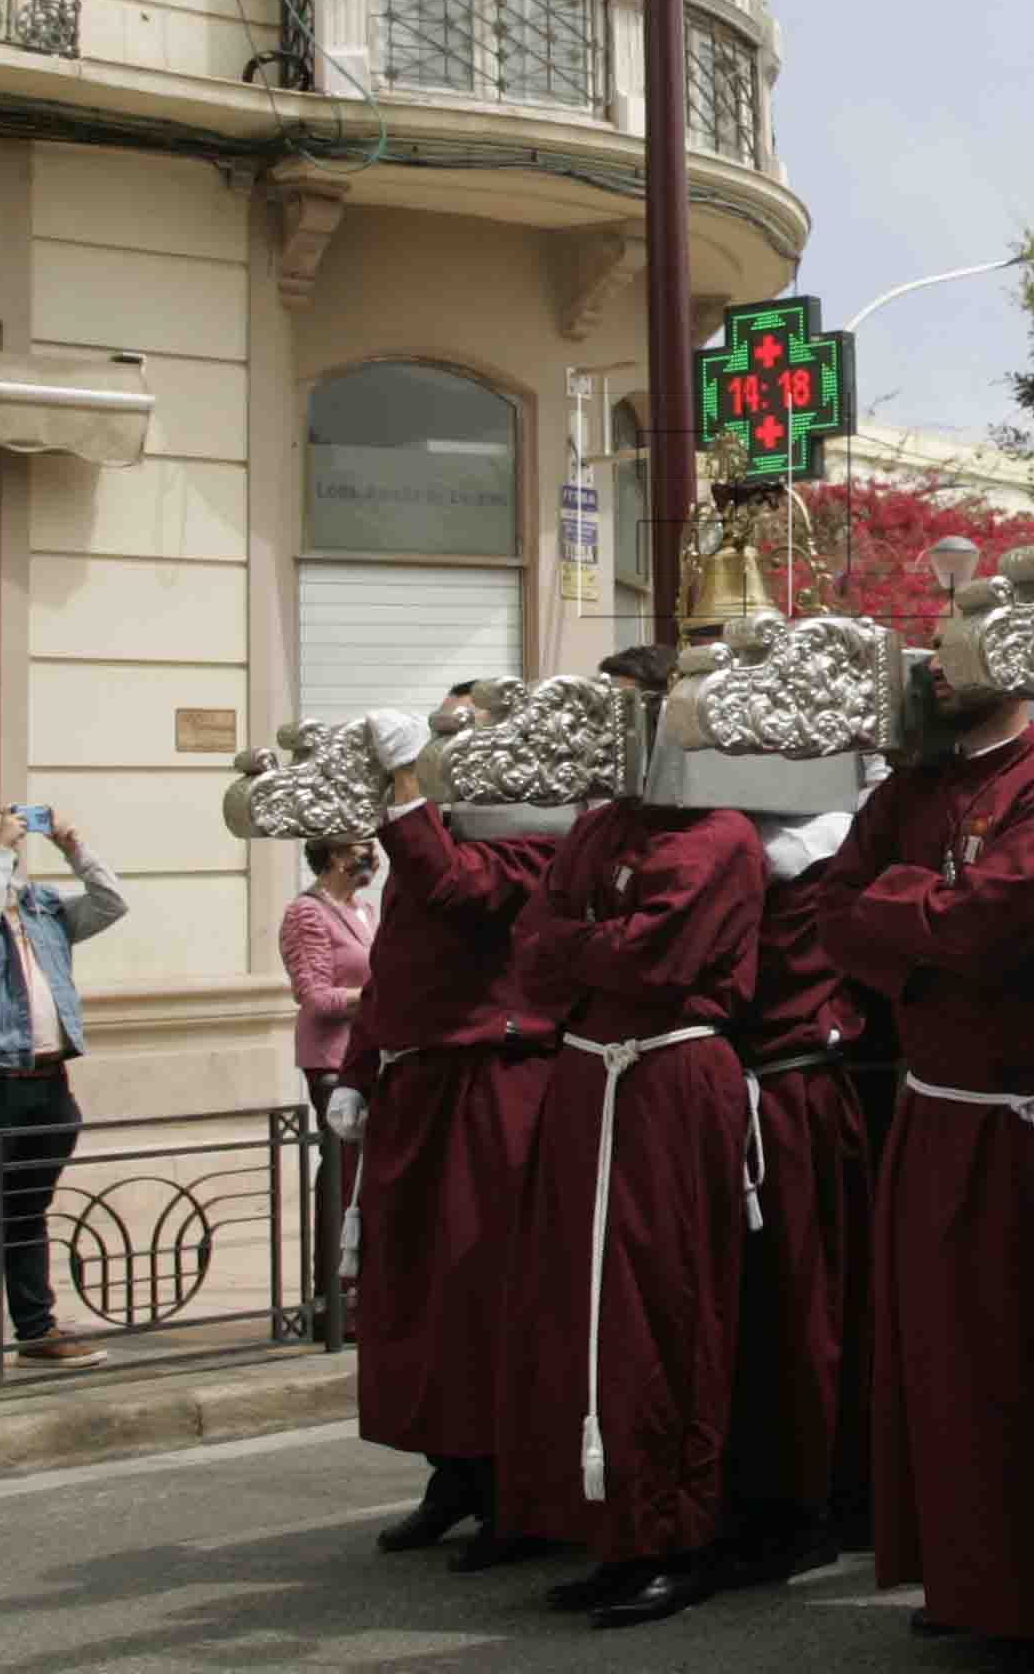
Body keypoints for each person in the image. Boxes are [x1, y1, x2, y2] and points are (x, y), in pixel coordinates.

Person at [815, 622, 1034, 1670]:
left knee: (1024, 1352)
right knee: (935, 1357)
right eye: (935, 651)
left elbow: (994, 926)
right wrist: (926, 920)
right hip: (938, 1102)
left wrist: (903, 912)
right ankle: (963, 1575)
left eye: (959, 650)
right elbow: (827, 908)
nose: (936, 670)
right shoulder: (911, 789)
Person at [479, 646, 768, 1630]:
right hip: (590, 1073)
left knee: (662, 1299)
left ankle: (675, 1535)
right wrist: (595, 941)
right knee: (577, 1306)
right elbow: (536, 944)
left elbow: (658, 953)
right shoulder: (600, 822)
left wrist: (589, 940)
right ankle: (606, 1527)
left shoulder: (719, 831)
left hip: (667, 1077)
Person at [345, 701, 566, 1567]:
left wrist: (404, 794)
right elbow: (393, 966)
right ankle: (456, 1472)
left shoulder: (533, 839)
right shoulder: (433, 837)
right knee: (421, 1295)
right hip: (421, 1081)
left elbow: (458, 888)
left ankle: (518, 1488)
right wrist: (361, 1070)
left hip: (492, 1081)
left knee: (486, 1289)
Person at [720, 803, 864, 1596]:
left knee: (801, 1305)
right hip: (752, 1089)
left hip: (789, 1093)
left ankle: (806, 1504)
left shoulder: (814, 850)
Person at [0, 804, 128, 1370]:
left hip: (46, 1076)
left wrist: (75, 849)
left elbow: (111, 903)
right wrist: (3, 856)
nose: (7, 843)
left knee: (27, 1209)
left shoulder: (39, 904)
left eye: (10, 833)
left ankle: (35, 1327)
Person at [280, 835, 380, 1120]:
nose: (374, 858)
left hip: (369, 1053)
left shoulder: (365, 910)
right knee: (340, 1158)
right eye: (366, 847)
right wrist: (382, 997)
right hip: (334, 1060)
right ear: (336, 856)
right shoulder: (307, 912)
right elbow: (316, 998)